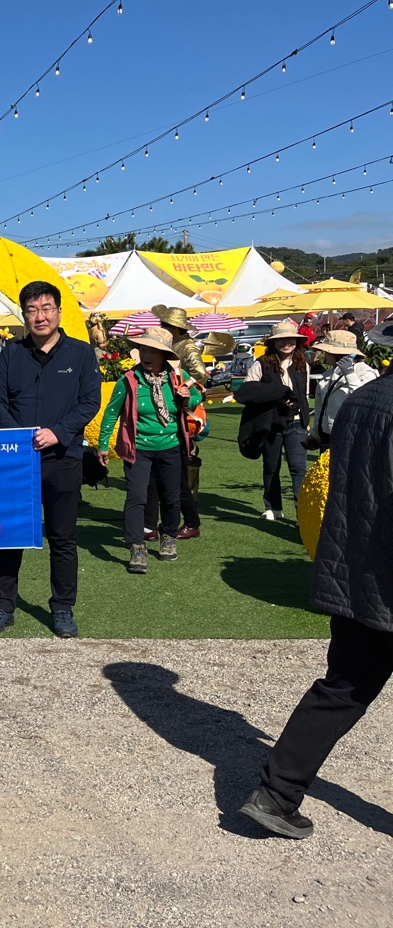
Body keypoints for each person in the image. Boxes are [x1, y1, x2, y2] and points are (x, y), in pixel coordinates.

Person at [238, 372, 393, 839]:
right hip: (377, 569)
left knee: (341, 689)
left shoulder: (362, 398)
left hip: (357, 569)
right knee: (343, 688)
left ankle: (275, 793)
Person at [0, 281, 101, 638]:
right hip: (17, 461)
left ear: (59, 312)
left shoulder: (80, 354)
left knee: (62, 537)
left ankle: (63, 608)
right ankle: (3, 605)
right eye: (32, 310)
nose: (40, 316)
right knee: (11, 534)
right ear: (24, 315)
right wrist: (18, 436)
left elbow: (89, 403)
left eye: (47, 308)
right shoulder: (11, 354)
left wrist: (59, 432)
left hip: (62, 458)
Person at [97, 327, 201, 572]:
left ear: (163, 355)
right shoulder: (129, 380)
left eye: (153, 350)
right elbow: (112, 411)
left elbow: (197, 399)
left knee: (171, 496)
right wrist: (103, 445)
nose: (146, 354)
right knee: (136, 497)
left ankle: (168, 537)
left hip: (171, 446)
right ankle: (136, 547)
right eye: (144, 348)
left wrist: (187, 398)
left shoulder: (178, 376)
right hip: (139, 448)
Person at [237, 319, 310, 521]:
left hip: (296, 423)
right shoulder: (261, 363)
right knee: (271, 466)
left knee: (298, 468)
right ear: (273, 343)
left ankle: (302, 510)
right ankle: (272, 507)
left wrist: (306, 419)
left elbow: (303, 394)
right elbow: (246, 392)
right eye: (281, 340)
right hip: (270, 423)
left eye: (291, 339)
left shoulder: (302, 363)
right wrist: (279, 393)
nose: (286, 343)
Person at [148, 305, 207, 540]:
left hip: (183, 411)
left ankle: (191, 521)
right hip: (169, 411)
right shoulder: (172, 344)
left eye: (165, 324)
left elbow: (200, 374)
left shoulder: (187, 347)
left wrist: (182, 386)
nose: (162, 327)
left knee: (181, 472)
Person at [310, 330, 376, 445]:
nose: (325, 356)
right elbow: (320, 408)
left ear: (337, 354)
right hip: (327, 434)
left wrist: (350, 375)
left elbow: (366, 400)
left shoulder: (365, 372)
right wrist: (315, 434)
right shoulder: (328, 374)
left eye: (327, 352)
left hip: (351, 435)